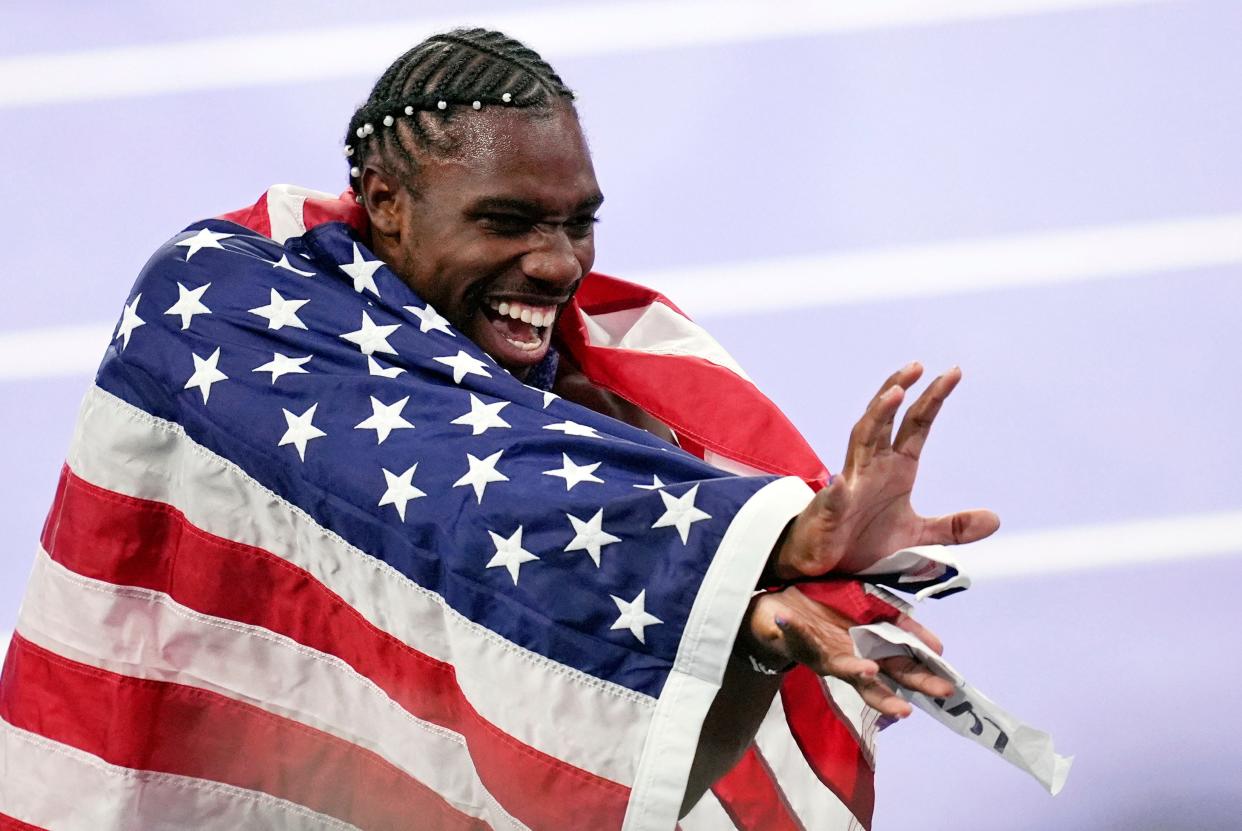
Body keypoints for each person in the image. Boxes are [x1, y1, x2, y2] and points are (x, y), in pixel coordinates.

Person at [0, 27, 998, 831]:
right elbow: (451, 481)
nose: (560, 265)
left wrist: (743, 635)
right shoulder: (225, 299)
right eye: (511, 221)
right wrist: (757, 540)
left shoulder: (602, 422)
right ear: (385, 203)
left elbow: (600, 793)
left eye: (577, 224)